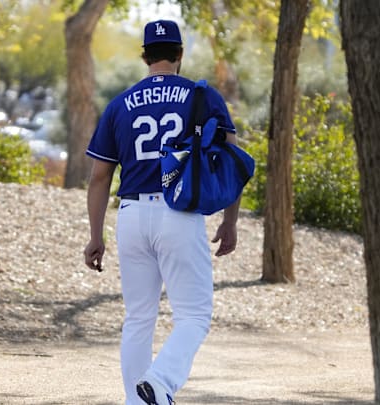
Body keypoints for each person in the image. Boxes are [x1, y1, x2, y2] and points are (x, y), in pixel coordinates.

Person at [83, 19, 242, 405]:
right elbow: (230, 161)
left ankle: (139, 401)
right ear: (180, 55)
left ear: (144, 57)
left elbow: (99, 177)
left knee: (138, 318)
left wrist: (95, 235)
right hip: (178, 213)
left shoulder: (121, 103)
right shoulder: (202, 97)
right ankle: (160, 382)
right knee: (194, 315)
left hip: (132, 214)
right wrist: (230, 220)